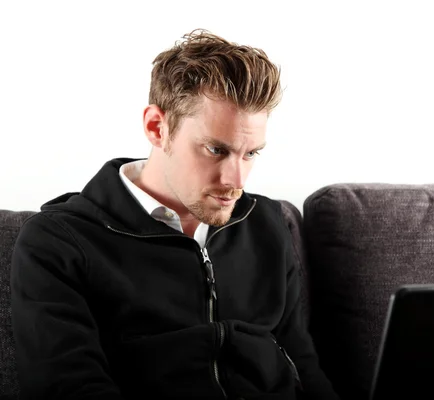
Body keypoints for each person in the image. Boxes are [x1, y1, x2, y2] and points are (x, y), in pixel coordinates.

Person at [10, 29, 339, 400]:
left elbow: (304, 366)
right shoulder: (58, 242)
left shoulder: (265, 221)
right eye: (216, 149)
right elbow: (68, 388)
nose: (236, 180)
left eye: (250, 154)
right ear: (157, 127)